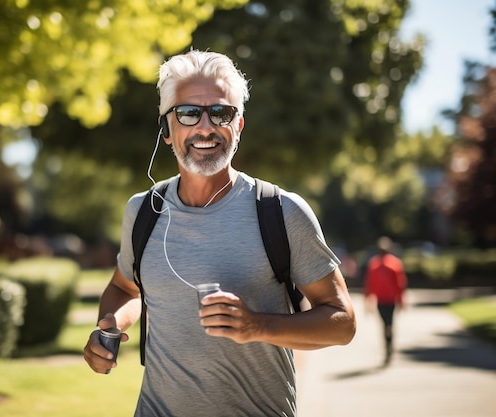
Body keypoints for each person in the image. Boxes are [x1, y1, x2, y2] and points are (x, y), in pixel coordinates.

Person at [84, 49, 356, 416]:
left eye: (221, 113)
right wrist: (111, 326)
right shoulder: (143, 210)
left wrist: (257, 326)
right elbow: (125, 288)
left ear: (238, 126)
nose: (205, 127)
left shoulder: (281, 211)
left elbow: (342, 323)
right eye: (189, 113)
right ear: (167, 129)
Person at [364, 236, 407, 365]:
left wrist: (368, 301)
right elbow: (400, 284)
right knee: (389, 323)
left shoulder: (374, 264)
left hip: (381, 300)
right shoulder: (395, 263)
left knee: (385, 324)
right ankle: (389, 344)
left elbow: (369, 285)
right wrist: (401, 300)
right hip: (390, 300)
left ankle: (388, 345)